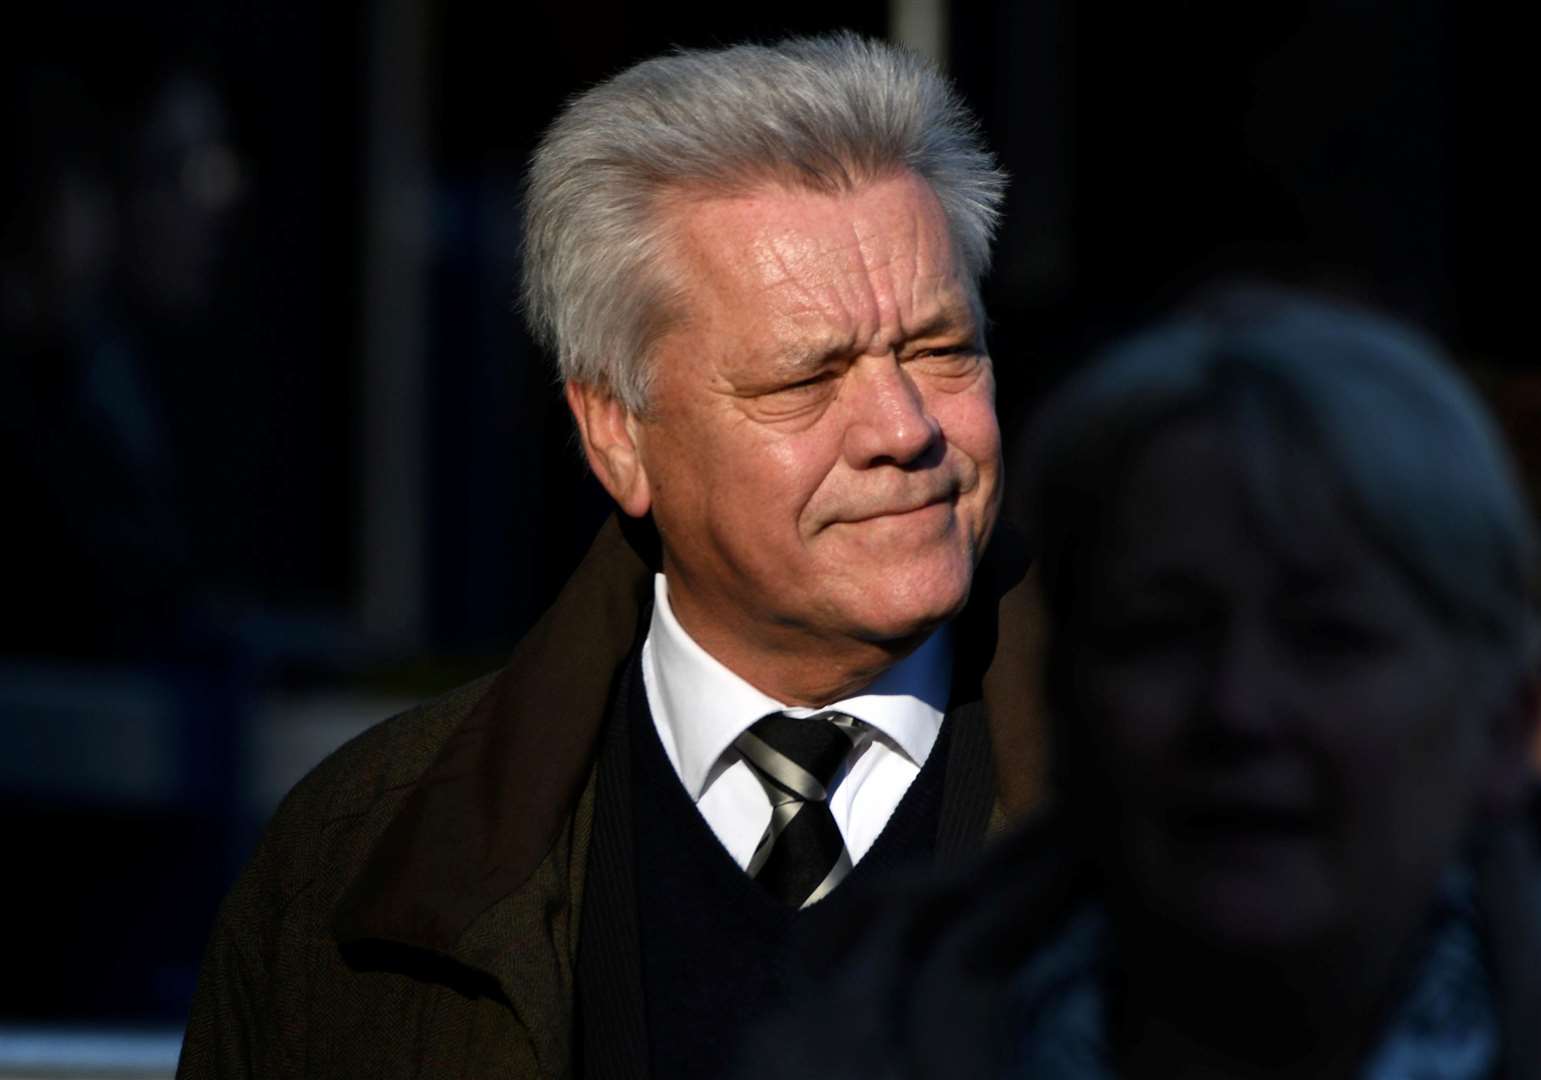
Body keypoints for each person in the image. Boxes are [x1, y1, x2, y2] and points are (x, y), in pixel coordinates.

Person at [177, 33, 1051, 1079]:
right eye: (802, 380)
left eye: (939, 349)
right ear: (616, 436)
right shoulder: (356, 859)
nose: (901, 427)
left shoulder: (1185, 824)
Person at [740, 288, 1541, 1078]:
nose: (1237, 708)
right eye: (1159, 635)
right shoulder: (849, 1042)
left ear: (1508, 722)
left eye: (1329, 639)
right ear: (1055, 698)